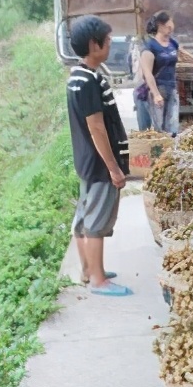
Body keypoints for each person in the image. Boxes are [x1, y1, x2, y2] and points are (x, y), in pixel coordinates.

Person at [66, 16, 133, 296]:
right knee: (96, 222)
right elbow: (97, 128)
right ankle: (98, 280)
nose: (109, 44)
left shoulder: (78, 75)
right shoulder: (90, 81)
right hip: (99, 163)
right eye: (107, 41)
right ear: (94, 46)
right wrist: (114, 169)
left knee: (84, 219)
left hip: (85, 161)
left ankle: (87, 270)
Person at [136, 11, 193, 137]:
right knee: (160, 127)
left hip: (171, 88)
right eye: (168, 27)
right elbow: (147, 73)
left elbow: (184, 55)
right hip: (158, 89)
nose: (170, 29)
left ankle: (171, 150)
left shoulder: (172, 43)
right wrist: (156, 94)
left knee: (172, 125)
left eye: (171, 27)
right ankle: (161, 151)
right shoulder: (150, 47)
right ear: (160, 26)